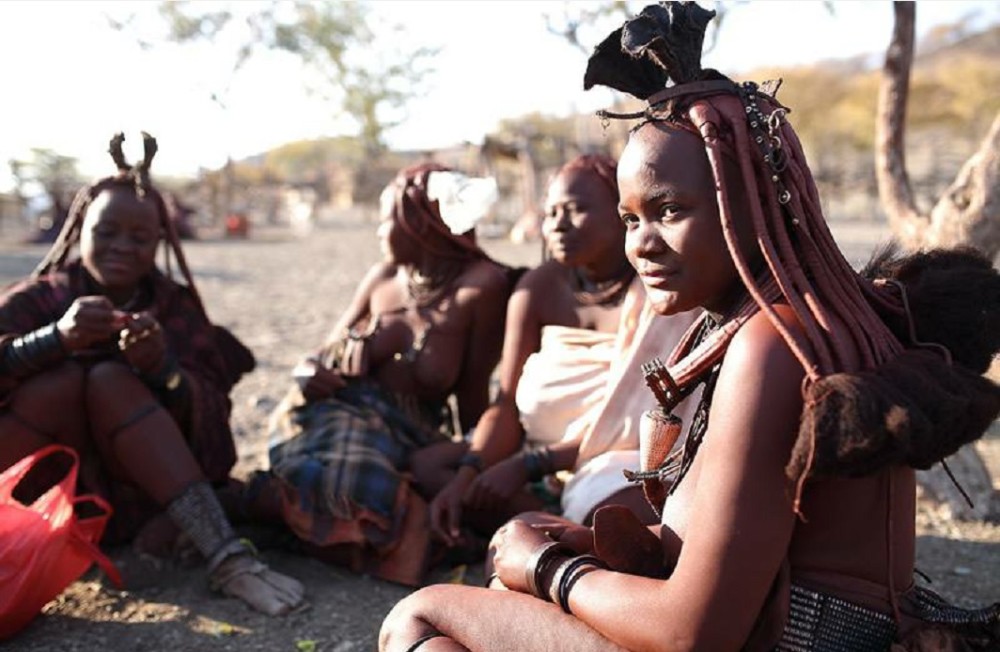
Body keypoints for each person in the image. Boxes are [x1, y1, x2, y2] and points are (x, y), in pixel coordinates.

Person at [379, 3, 1000, 650]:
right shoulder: (767, 320)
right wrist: (591, 546)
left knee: (421, 616)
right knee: (507, 589)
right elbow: (759, 535)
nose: (640, 244)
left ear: (750, 202)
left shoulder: (770, 343)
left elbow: (695, 633)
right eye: (629, 219)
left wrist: (552, 569)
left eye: (668, 210)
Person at [0, 133, 305, 617]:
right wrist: (53, 340)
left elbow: (213, 426)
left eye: (140, 238)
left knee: (108, 381)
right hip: (42, 499)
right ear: (80, 230)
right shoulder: (37, 299)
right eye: (106, 232)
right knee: (62, 383)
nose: (122, 247)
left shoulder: (175, 308)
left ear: (160, 242)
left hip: (138, 495)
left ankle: (228, 560)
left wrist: (164, 372)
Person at [246, 162, 510, 586]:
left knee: (381, 491)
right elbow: (320, 354)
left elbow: (474, 392)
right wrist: (306, 371)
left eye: (385, 219)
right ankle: (295, 514)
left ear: (419, 223)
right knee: (356, 481)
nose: (378, 231)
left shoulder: (479, 288)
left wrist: (472, 462)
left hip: (410, 432)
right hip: (330, 413)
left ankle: (268, 510)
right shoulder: (383, 278)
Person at [426, 154, 699, 550]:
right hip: (537, 461)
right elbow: (504, 404)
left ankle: (553, 534)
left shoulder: (661, 295)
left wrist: (529, 466)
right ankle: (549, 531)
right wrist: (470, 475)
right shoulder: (536, 288)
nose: (557, 223)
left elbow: (648, 420)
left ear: (622, 211)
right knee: (431, 468)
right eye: (551, 212)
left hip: (619, 461)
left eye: (576, 209)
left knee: (612, 513)